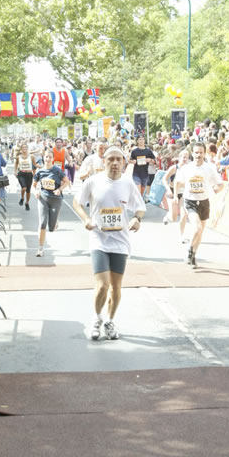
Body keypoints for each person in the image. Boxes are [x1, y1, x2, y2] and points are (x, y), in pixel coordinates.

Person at [73, 146, 145, 341]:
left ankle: (110, 321)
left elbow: (140, 208)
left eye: (118, 160)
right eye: (110, 159)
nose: (114, 163)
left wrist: (137, 219)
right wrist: (86, 219)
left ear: (123, 163)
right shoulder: (93, 181)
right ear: (103, 161)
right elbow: (77, 202)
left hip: (120, 241)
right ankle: (97, 318)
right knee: (103, 285)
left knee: (116, 287)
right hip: (99, 239)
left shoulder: (128, 183)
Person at [174, 142, 223, 268]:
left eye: (201, 152)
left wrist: (217, 189)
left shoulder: (209, 168)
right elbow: (177, 182)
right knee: (197, 228)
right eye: (196, 152)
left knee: (200, 232)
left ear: (204, 153)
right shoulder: (187, 168)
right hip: (190, 201)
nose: (198, 155)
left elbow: (220, 184)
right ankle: (190, 250)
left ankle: (193, 256)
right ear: (192, 153)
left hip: (204, 201)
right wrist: (175, 196)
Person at [32, 149, 69, 257]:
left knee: (51, 228)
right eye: (46, 157)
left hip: (55, 199)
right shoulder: (39, 171)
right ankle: (40, 248)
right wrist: (35, 191)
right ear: (43, 158)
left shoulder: (57, 170)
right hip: (43, 198)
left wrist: (59, 189)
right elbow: (33, 185)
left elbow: (67, 181)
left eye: (50, 157)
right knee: (42, 223)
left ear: (53, 159)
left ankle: (55, 220)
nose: (48, 159)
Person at [14, 142, 38, 210]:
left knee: (28, 191)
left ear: (27, 148)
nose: (24, 149)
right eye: (23, 147)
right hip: (21, 174)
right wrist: (15, 171)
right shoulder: (18, 157)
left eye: (25, 147)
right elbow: (16, 164)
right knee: (24, 188)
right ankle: (22, 198)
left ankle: (27, 203)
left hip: (29, 174)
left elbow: (35, 164)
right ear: (21, 149)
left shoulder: (31, 156)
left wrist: (41, 166)